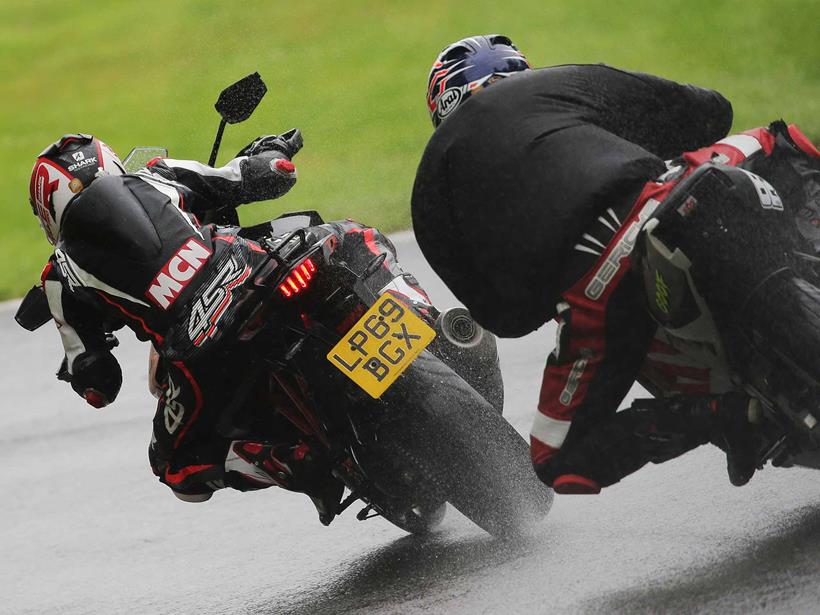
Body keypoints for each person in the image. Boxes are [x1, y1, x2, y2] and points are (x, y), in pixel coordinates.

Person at [412, 35, 820, 493]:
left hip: (596, 288)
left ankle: (719, 417)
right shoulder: (553, 86)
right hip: (671, 194)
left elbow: (505, 319)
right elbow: (708, 112)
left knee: (557, 460)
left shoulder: (428, 190)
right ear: (518, 72)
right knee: (777, 140)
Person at [29, 132, 415, 522]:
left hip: (199, 351)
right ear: (109, 161)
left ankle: (293, 460)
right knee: (352, 236)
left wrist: (79, 367)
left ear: (49, 207)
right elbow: (270, 173)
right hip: (255, 272)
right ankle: (419, 313)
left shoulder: (59, 275)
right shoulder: (157, 174)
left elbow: (100, 386)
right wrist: (272, 147)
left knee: (173, 468)